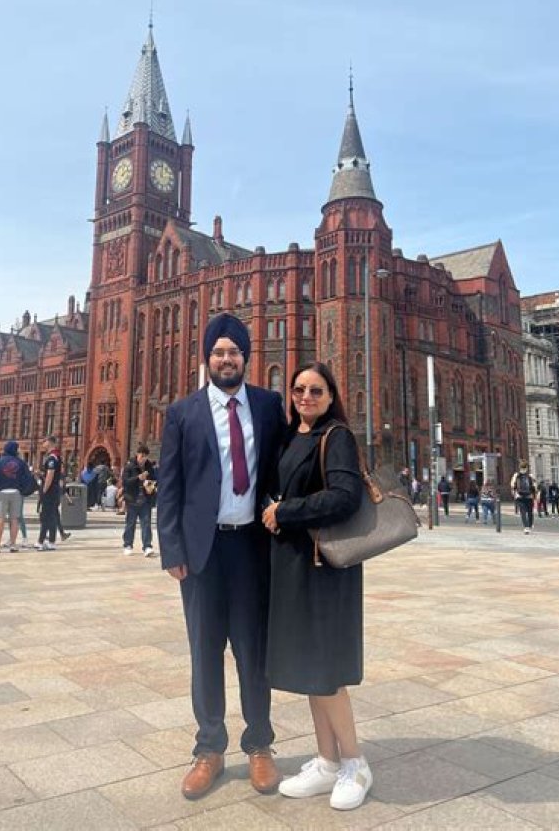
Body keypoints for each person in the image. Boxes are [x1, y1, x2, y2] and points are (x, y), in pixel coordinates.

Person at [157, 312, 287, 801]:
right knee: (205, 651)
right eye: (218, 352)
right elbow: (169, 487)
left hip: (252, 548)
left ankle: (259, 745)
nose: (226, 359)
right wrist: (172, 549)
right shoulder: (183, 413)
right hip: (202, 552)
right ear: (207, 359)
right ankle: (209, 748)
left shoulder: (268, 406)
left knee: (253, 653)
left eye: (233, 352)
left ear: (245, 358)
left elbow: (282, 469)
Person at [261, 362, 372, 812]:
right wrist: (273, 506)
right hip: (293, 564)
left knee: (326, 671)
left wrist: (285, 512)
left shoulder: (336, 435)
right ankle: (327, 760)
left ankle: (355, 763)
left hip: (324, 566)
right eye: (299, 389)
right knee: (311, 667)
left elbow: (345, 497)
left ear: (331, 396)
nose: (306, 396)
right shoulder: (292, 436)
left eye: (316, 390)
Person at [0, 440, 35, 552]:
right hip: (16, 492)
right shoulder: (21, 463)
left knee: (0, 518)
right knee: (14, 519)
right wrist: (23, 490)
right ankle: (13, 545)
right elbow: (28, 478)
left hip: (2, 492)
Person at [122, 444, 157, 556]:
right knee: (130, 524)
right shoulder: (129, 467)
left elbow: (155, 480)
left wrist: (151, 487)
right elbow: (125, 482)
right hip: (132, 500)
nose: (143, 459)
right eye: (142, 456)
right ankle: (128, 545)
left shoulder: (149, 468)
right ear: (137, 454)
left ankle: (147, 546)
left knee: (146, 524)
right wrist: (138, 478)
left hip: (145, 500)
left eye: (145, 456)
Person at [36, 435, 64, 550]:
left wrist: (44, 490)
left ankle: (41, 541)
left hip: (50, 490)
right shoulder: (56, 456)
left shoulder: (52, 458)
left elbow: (50, 475)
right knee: (52, 516)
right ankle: (51, 541)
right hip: (54, 490)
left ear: (50, 442)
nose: (43, 443)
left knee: (46, 516)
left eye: (44, 441)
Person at [511, 460, 536, 534]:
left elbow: (512, 485)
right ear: (527, 468)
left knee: (523, 512)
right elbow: (534, 486)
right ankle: (529, 525)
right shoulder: (530, 476)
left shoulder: (516, 475)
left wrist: (514, 493)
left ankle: (526, 527)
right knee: (529, 512)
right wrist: (534, 495)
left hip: (519, 496)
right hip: (529, 496)